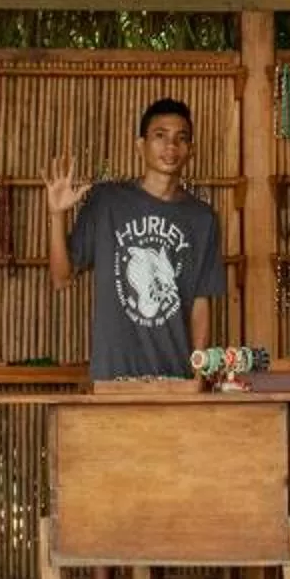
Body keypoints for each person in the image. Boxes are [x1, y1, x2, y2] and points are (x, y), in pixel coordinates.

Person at [46, 98, 225, 380]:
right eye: (160, 135)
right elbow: (61, 278)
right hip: (113, 375)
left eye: (181, 138)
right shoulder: (107, 202)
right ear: (140, 145)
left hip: (174, 375)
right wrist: (56, 215)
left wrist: (198, 373)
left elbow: (200, 302)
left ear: (191, 150)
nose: (171, 146)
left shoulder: (203, 219)